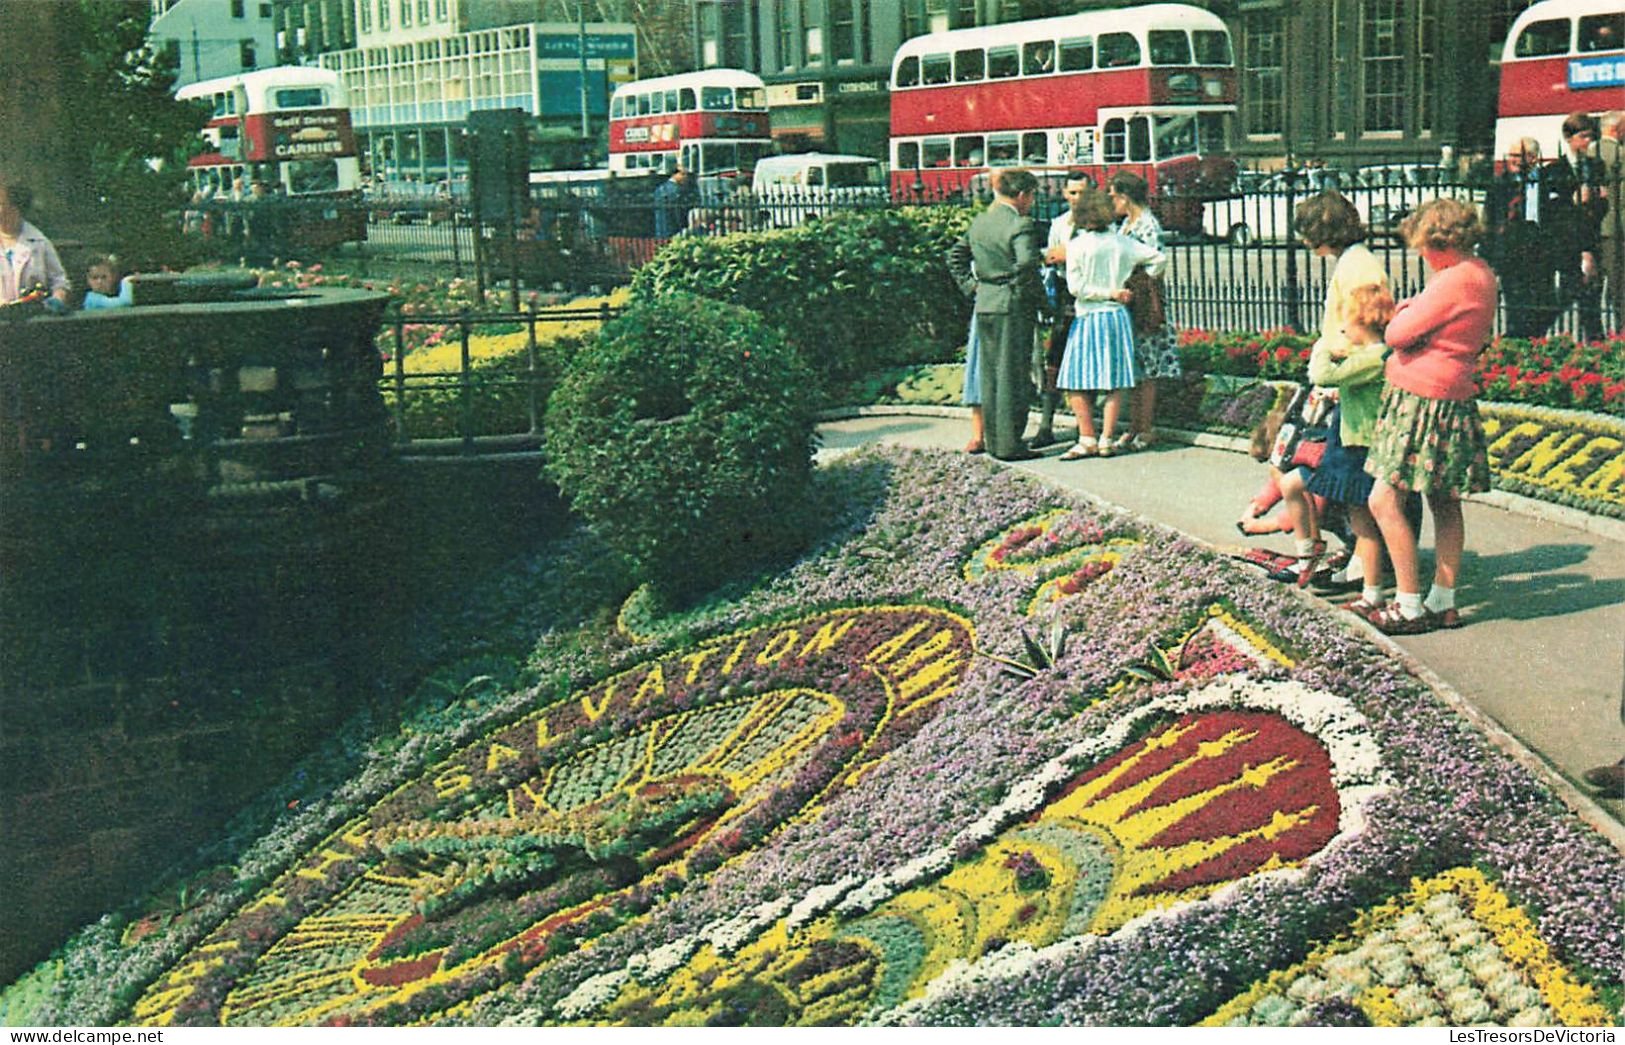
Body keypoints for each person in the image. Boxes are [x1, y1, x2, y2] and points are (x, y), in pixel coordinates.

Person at [1362, 198, 1498, 635]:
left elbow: (1398, 332)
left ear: (1438, 241)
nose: (1419, 252)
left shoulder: (1452, 280)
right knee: (1444, 498)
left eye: (1422, 244)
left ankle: (1408, 603)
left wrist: (1403, 311)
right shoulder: (1480, 275)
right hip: (1453, 394)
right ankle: (1443, 599)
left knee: (1383, 499)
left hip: (1422, 399)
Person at [1263, 191, 1394, 596]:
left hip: (1351, 388)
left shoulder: (1356, 266)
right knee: (1341, 485)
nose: (1303, 241)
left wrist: (1333, 360)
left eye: (1307, 232)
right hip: (1346, 385)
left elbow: (1366, 325)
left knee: (1350, 488)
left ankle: (1365, 565)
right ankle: (1356, 560)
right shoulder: (1353, 260)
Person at [1052, 186, 1165, 460]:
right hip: (1116, 317)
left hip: (1088, 316)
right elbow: (1158, 258)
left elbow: (1076, 287)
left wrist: (1105, 292)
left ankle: (1086, 436)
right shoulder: (1123, 242)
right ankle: (1107, 438)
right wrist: (1136, 283)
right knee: (1114, 380)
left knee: (1075, 380)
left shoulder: (1076, 247)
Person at [946, 167, 1044, 461]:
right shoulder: (1021, 225)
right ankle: (1011, 444)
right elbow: (1027, 264)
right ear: (1023, 195)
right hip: (1011, 306)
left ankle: (993, 440)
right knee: (1013, 375)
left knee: (990, 376)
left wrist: (973, 286)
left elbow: (955, 255)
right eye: (1033, 196)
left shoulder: (980, 223)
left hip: (985, 303)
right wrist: (1023, 291)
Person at [1107, 170, 1179, 452]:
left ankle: (1145, 428)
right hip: (1129, 303)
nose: (1111, 202)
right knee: (1136, 368)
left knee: (1147, 369)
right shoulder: (1125, 224)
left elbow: (1155, 265)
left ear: (1125, 197)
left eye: (1114, 197)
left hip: (1143, 304)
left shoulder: (1148, 225)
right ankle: (1134, 425)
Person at [1034, 172, 1094, 448]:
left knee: (1088, 362)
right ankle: (1045, 423)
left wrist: (1069, 253)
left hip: (1088, 297)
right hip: (1063, 297)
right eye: (1072, 193)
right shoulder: (1059, 223)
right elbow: (1050, 257)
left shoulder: (1098, 224)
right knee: (1054, 360)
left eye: (1082, 192)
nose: (1077, 199)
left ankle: (1089, 428)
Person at [1483, 138, 1566, 338]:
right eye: (1510, 155)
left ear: (1532, 158)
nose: (1511, 160)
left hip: (1541, 256)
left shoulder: (1548, 182)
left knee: (1544, 307)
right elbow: (1489, 222)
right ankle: (1516, 343)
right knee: (1516, 310)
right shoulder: (1499, 184)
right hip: (1511, 256)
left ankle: (1530, 342)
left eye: (1516, 155)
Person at [1553, 112, 1607, 342]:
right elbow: (1553, 213)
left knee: (1591, 304)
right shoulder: (1555, 170)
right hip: (1568, 246)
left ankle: (1596, 346)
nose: (1588, 143)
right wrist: (1571, 200)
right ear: (1568, 137)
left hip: (1592, 239)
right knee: (1561, 302)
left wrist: (1599, 199)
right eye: (1583, 137)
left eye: (1591, 137)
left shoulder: (1596, 166)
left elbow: (1602, 204)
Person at [0, 181, 69, 306]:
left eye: (1, 204)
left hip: (31, 319)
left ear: (15, 209)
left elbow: (59, 281)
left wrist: (57, 299)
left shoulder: (39, 242)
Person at [1590, 110, 1623, 332]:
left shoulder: (1589, 151)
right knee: (1618, 285)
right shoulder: (1620, 154)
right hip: (1613, 229)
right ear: (1616, 129)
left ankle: (1595, 335)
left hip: (1590, 228)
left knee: (1592, 288)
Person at [653, 166, 697, 238]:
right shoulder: (678, 190)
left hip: (661, 228)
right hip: (674, 228)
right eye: (683, 174)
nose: (685, 177)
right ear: (674, 174)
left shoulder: (660, 188)